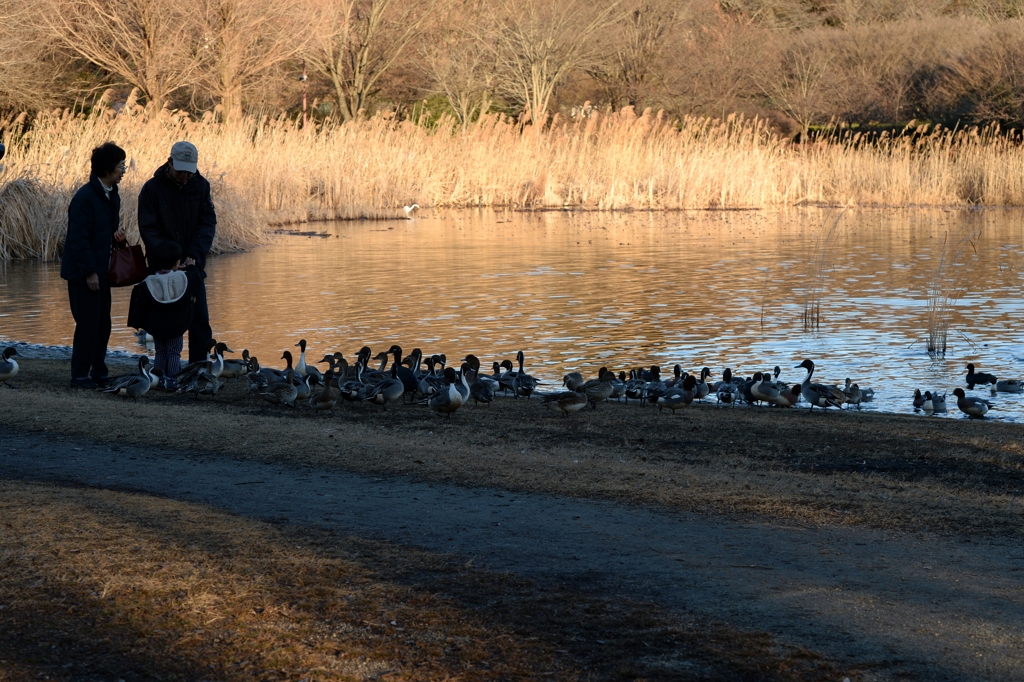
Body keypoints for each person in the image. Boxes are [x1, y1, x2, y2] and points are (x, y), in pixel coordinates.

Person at [138, 140, 217, 364]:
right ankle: (165, 370)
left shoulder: (201, 186)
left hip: (193, 266)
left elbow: (207, 223)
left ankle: (198, 368)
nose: (185, 176)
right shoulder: (152, 189)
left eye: (189, 172)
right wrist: (171, 258)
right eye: (181, 172)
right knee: (164, 322)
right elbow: (149, 229)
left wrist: (194, 256)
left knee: (199, 320)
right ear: (170, 162)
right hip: (162, 267)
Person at [60, 142, 127, 388]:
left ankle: (99, 372)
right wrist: (90, 273)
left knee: (103, 324)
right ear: (108, 168)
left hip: (103, 270)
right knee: (87, 325)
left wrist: (117, 239)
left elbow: (102, 234)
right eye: (121, 166)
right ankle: (79, 375)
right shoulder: (84, 198)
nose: (124, 170)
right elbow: (78, 239)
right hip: (83, 273)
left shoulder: (112, 193)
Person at [127, 241, 201, 390]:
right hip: (176, 325)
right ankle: (173, 380)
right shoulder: (183, 277)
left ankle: (159, 379)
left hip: (157, 326)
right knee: (174, 352)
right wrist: (192, 265)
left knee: (160, 351)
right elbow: (196, 279)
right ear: (177, 262)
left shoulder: (149, 281)